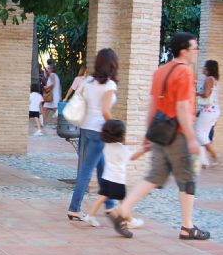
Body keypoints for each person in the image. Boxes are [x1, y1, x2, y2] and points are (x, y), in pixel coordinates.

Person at [109, 32, 210, 240]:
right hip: (178, 133)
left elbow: (153, 105)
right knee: (187, 179)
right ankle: (187, 226)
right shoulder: (184, 72)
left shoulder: (160, 71)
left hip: (159, 132)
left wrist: (148, 133)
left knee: (155, 176)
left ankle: (122, 210)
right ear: (184, 51)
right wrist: (191, 138)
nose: (196, 52)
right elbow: (182, 107)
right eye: (194, 48)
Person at [67, 48, 119, 221]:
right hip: (99, 131)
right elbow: (105, 111)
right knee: (87, 171)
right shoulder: (109, 85)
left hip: (86, 128)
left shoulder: (89, 81)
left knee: (102, 168)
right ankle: (74, 207)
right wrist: (116, 129)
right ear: (112, 64)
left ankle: (110, 205)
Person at [82, 120, 148, 228]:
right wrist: (144, 150)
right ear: (121, 134)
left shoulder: (107, 144)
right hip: (117, 180)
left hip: (106, 177)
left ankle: (90, 216)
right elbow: (133, 157)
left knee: (102, 198)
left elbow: (119, 144)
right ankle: (130, 220)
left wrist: (134, 143)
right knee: (124, 202)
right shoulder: (122, 149)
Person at [195, 60, 220, 166]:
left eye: (204, 66)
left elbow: (205, 94)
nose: (203, 68)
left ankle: (214, 156)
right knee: (201, 134)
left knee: (200, 134)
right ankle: (203, 161)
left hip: (209, 111)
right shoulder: (213, 79)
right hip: (212, 110)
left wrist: (195, 93)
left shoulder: (209, 79)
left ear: (208, 68)